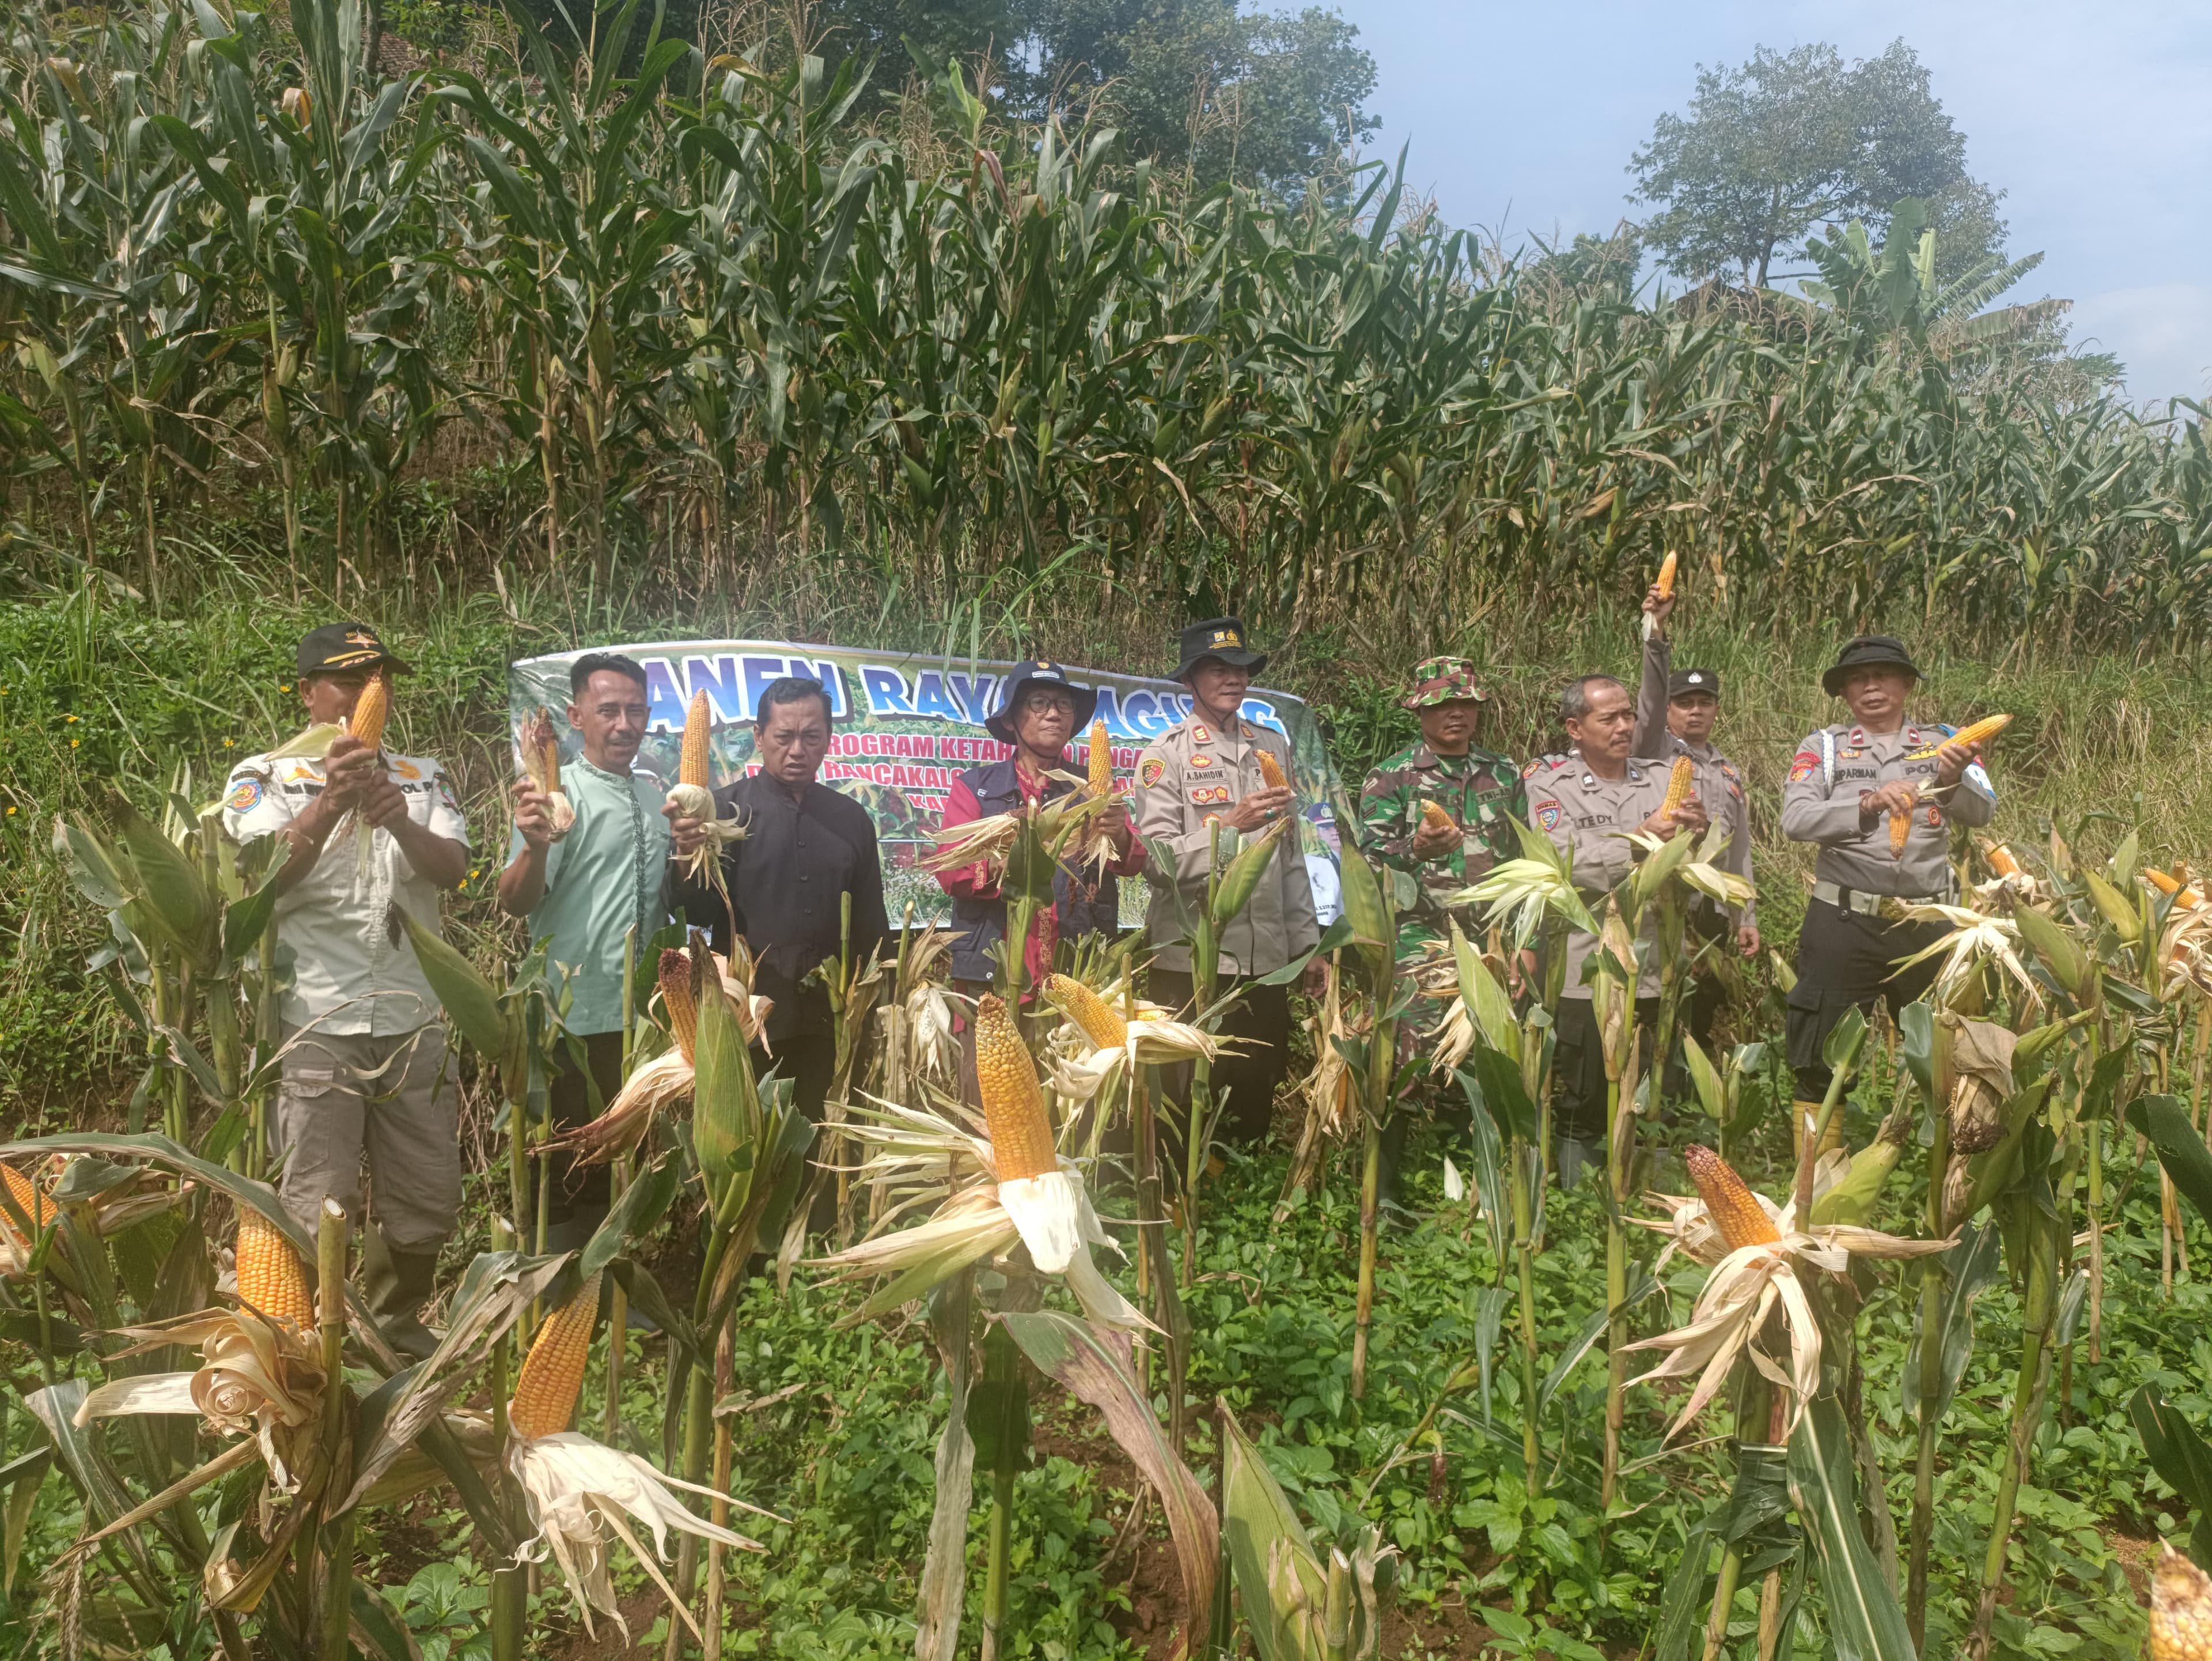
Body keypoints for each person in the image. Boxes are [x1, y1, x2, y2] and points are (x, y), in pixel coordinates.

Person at [221, 623, 470, 1359]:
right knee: (317, 1197)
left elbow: (453, 869)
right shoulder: (263, 776)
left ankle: (392, 1323)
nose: (367, 695)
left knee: (428, 1189)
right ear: (308, 693)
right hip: (313, 1017)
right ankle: (310, 1336)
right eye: (348, 681)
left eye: (378, 681)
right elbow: (253, 883)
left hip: (411, 1014)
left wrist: (399, 819)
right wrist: (329, 804)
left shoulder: (423, 775)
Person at [499, 652, 686, 1250]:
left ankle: (615, 1287)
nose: (624, 723)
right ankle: (557, 1292)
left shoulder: (660, 807)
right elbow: (515, 901)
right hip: (568, 1017)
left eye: (636, 710)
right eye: (609, 710)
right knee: (566, 1157)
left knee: (625, 1156)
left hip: (641, 1020)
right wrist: (532, 847)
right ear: (577, 716)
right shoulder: (552, 798)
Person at [1779, 635, 1995, 1151]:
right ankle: (1815, 1178)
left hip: (1926, 922)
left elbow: (1982, 811)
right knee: (1820, 1058)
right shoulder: (1823, 747)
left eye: (1882, 675)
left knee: (1948, 1054)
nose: (1871, 686)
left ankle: (1947, 1172)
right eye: (1858, 678)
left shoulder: (1949, 740)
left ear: (1906, 684)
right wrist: (1870, 803)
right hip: (1844, 919)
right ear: (1844, 691)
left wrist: (1951, 776)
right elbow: (1795, 818)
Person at [673, 675, 889, 1130]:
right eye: (783, 736)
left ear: (829, 738)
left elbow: (871, 925)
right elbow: (695, 912)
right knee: (749, 1154)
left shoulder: (852, 820)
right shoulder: (722, 813)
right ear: (759, 737)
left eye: (811, 737)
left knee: (821, 1150)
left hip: (832, 1022)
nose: (797, 750)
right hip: (749, 1024)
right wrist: (689, 853)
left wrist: (877, 1007)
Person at [1136, 618, 1321, 1148]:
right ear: (1191, 679)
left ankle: (1248, 1199)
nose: (1234, 678)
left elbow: (1289, 853)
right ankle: (1192, 1204)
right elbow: (1157, 862)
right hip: (1195, 960)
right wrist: (1228, 828)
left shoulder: (1272, 747)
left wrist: (1307, 945)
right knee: (1189, 1091)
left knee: (1257, 1082)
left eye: (1241, 668)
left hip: (1267, 957)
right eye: (1219, 669)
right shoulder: (1164, 756)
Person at [1527, 674, 1707, 1183]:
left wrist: (1697, 827)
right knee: (1584, 1093)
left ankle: (1649, 1187)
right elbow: (1560, 860)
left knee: (1658, 1091)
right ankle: (1581, 1199)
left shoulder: (1660, 775)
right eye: (1610, 718)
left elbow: (1690, 856)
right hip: (1590, 968)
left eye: (1629, 715)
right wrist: (1638, 838)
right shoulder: (1548, 784)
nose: (1625, 726)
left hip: (1658, 966)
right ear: (1575, 728)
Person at [934, 662, 1146, 1094]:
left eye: (1064, 705)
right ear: (1012, 719)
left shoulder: (1093, 789)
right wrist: (1021, 853)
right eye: (1039, 704)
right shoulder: (975, 789)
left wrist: (1118, 831)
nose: (1054, 714)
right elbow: (952, 871)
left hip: (1073, 976)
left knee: (1070, 1111)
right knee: (991, 1111)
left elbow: (1134, 861)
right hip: (993, 978)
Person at [1633, 587, 1758, 1075]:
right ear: (1668, 709)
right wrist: (1656, 635)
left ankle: (1691, 1102)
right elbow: (1647, 699)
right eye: (1684, 702)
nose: (1696, 711)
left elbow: (1739, 848)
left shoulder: (1728, 771)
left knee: (1701, 1013)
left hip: (1708, 911)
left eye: (1705, 702)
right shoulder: (1650, 751)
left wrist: (1744, 912)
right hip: (1662, 903)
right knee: (1652, 1008)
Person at [1357, 655, 1526, 952]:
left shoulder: (1504, 772)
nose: (1457, 714)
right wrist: (1414, 849)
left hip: (1497, 939)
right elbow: (1367, 867)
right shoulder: (1391, 778)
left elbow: (1525, 860)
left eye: (1466, 704)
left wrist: (1529, 943)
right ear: (1420, 710)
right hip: (1421, 943)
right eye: (1443, 706)